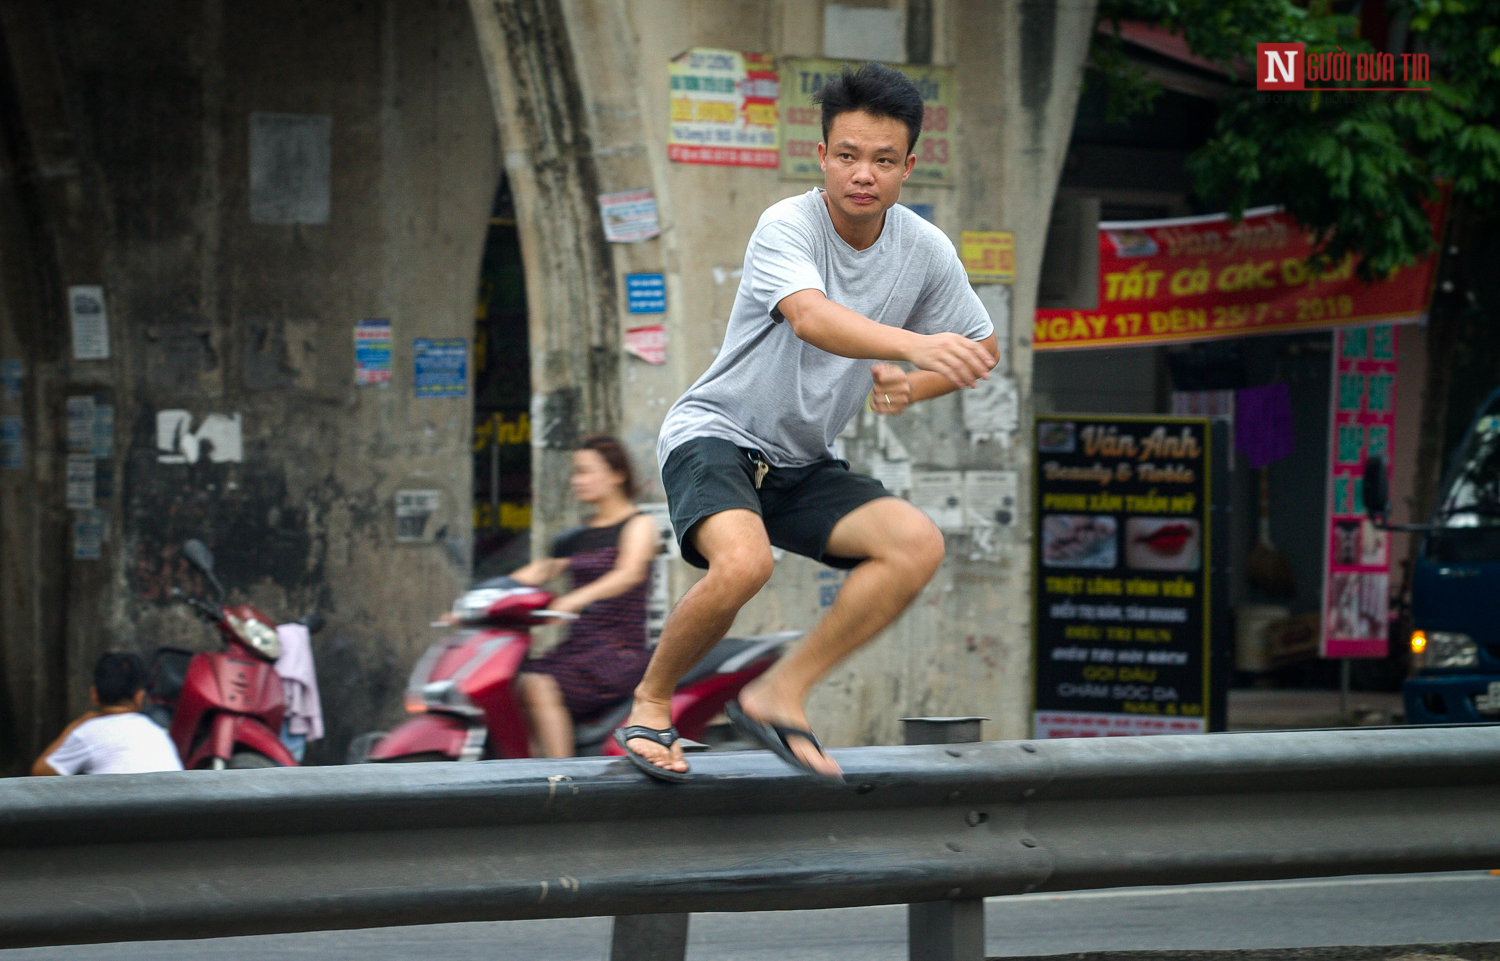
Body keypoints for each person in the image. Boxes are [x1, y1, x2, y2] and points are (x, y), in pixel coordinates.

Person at [620, 63, 999, 782]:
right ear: (821, 155)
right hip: (717, 434)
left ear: (908, 166)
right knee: (745, 562)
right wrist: (911, 343)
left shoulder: (925, 250)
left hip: (801, 458)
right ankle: (649, 703)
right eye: (849, 155)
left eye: (884, 160)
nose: (865, 174)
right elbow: (812, 316)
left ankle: (777, 693)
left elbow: (982, 347)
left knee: (915, 544)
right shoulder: (785, 225)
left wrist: (908, 389)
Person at [508, 435, 660, 758]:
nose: (577, 480)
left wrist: (576, 599)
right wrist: (479, 600)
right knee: (511, 684)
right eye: (576, 472)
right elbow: (539, 571)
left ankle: (566, 782)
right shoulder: (577, 536)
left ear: (617, 474)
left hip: (616, 655)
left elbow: (629, 572)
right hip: (577, 651)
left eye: (586, 471)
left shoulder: (639, 525)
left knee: (536, 684)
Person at [31, 652, 184, 775]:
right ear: (139, 696)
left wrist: (74, 726)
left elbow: (40, 772)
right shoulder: (158, 733)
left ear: (94, 694)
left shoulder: (87, 733)